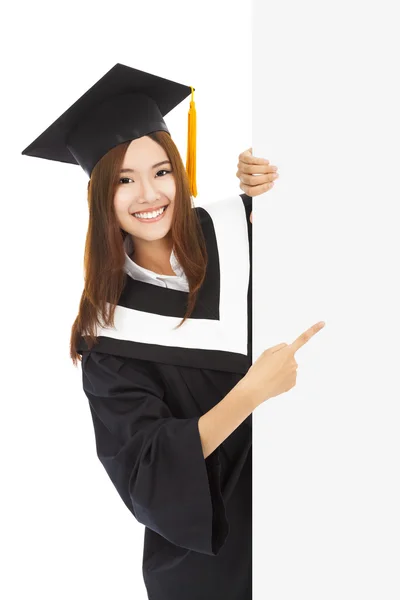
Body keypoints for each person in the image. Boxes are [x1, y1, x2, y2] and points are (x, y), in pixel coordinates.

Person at [21, 62, 316, 600]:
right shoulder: (106, 335)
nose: (148, 194)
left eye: (161, 171)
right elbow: (147, 470)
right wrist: (252, 391)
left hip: (314, 517)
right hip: (210, 563)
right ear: (99, 196)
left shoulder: (240, 230)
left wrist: (275, 174)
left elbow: (336, 216)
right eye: (124, 181)